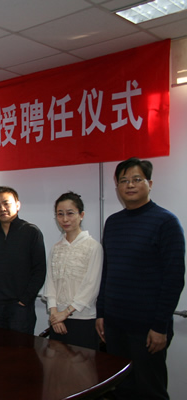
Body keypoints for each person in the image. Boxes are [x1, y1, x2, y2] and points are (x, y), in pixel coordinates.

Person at [96, 157, 185, 400]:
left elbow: (174, 279)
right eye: (124, 180)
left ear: (149, 183)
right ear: (117, 186)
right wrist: (101, 312)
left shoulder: (166, 222)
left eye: (137, 179)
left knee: (150, 391)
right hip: (115, 325)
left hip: (147, 328)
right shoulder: (113, 223)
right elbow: (108, 271)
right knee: (121, 389)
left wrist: (160, 326)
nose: (130, 185)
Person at [0, 186, 46, 335]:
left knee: (20, 349)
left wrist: (24, 300)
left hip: (19, 308)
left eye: (6, 203)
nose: (2, 209)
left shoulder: (31, 232)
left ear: (17, 205)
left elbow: (39, 271)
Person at [43, 192, 102, 350]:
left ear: (81, 215)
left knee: (82, 364)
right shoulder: (56, 248)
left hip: (83, 320)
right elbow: (50, 282)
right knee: (57, 363)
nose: (65, 219)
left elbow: (91, 286)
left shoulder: (93, 247)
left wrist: (65, 313)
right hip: (57, 320)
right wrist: (55, 314)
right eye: (60, 214)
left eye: (70, 213)